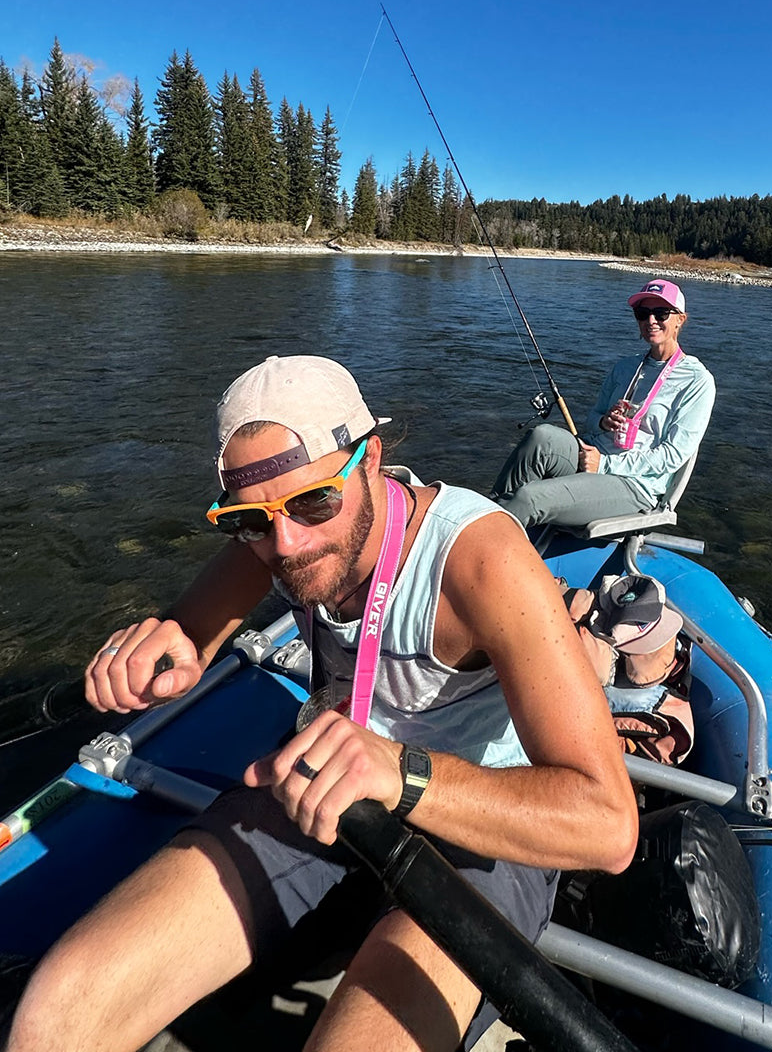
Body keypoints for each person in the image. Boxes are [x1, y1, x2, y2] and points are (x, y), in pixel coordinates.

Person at [7, 355, 638, 1052]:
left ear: (371, 458)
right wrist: (169, 647)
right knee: (60, 1009)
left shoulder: (481, 562)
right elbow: (188, 633)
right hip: (327, 784)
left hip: (486, 834)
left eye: (314, 503)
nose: (286, 543)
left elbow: (607, 827)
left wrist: (402, 773)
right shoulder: (276, 532)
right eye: (246, 519)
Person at [490, 279, 715, 527]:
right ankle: (488, 514)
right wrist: (603, 422)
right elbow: (592, 419)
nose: (650, 320)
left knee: (530, 497)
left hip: (635, 484)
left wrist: (606, 464)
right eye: (642, 313)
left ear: (679, 320)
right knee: (541, 436)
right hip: (594, 453)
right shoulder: (624, 367)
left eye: (661, 313)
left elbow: (673, 455)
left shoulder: (697, 380)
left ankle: (488, 537)